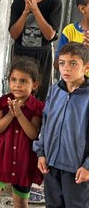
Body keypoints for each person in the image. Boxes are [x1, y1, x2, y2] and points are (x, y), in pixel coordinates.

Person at [0, 58, 44, 208]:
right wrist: (10, 114)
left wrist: (20, 115)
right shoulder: (3, 102)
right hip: (1, 155)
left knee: (20, 201)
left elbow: (33, 134)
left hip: (24, 158)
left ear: (34, 84)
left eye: (23, 81)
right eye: (13, 80)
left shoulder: (36, 107)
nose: (16, 85)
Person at [33, 42, 89, 207]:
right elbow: (46, 124)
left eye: (73, 64)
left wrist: (87, 166)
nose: (66, 68)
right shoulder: (55, 90)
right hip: (51, 165)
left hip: (77, 169)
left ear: (86, 67)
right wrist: (41, 153)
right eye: (62, 63)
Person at [9, 0, 62, 101]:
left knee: (39, 96)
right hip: (21, 53)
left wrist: (35, 9)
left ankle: (36, 124)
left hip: (41, 56)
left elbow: (50, 35)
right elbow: (14, 34)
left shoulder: (54, 3)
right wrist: (26, 11)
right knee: (18, 93)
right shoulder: (18, 3)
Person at [56, 0, 89, 70]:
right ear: (82, 9)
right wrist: (79, 51)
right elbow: (56, 64)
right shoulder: (69, 31)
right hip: (75, 83)